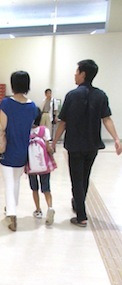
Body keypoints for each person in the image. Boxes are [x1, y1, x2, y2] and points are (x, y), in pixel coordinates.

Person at [53, 59, 121, 227]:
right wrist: (116, 139)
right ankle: (78, 204)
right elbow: (107, 119)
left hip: (75, 145)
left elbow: (63, 122)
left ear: (83, 74)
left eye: (77, 72)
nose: (75, 75)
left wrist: (54, 141)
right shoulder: (101, 95)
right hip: (92, 145)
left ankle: (81, 216)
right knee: (84, 177)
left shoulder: (72, 95)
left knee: (76, 179)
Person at [0, 71, 37, 232]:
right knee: (16, 181)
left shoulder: (6, 103)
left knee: (9, 182)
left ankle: (12, 214)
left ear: (13, 84)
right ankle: (12, 209)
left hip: (7, 149)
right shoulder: (32, 106)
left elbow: (1, 127)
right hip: (23, 150)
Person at [27, 108, 56, 225]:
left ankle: (38, 210)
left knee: (34, 189)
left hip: (31, 166)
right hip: (44, 165)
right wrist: (52, 152)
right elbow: (48, 148)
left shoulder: (26, 132)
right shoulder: (44, 130)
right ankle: (50, 207)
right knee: (46, 188)